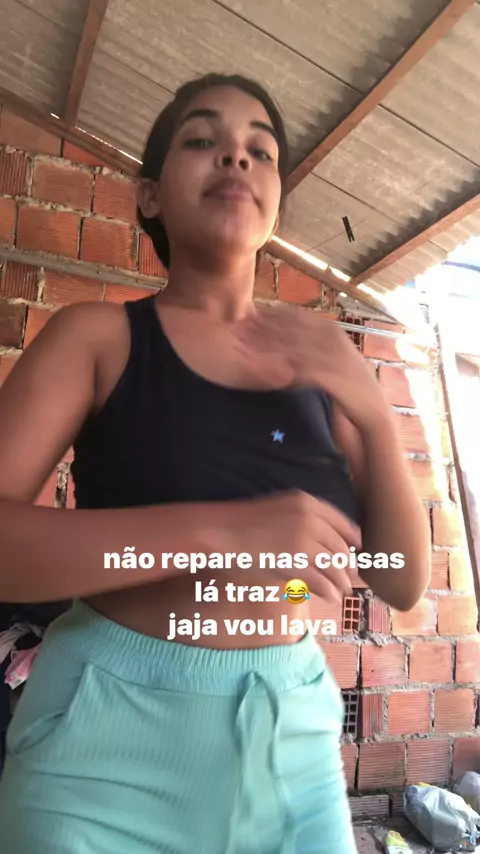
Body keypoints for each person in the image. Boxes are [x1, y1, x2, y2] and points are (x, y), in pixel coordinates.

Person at [0, 73, 431, 853]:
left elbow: (400, 580)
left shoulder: (321, 363)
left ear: (275, 201)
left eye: (259, 152)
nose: (236, 158)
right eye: (203, 140)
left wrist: (369, 406)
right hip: (105, 743)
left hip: (290, 741)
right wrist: (227, 530)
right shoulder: (97, 338)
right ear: (150, 195)